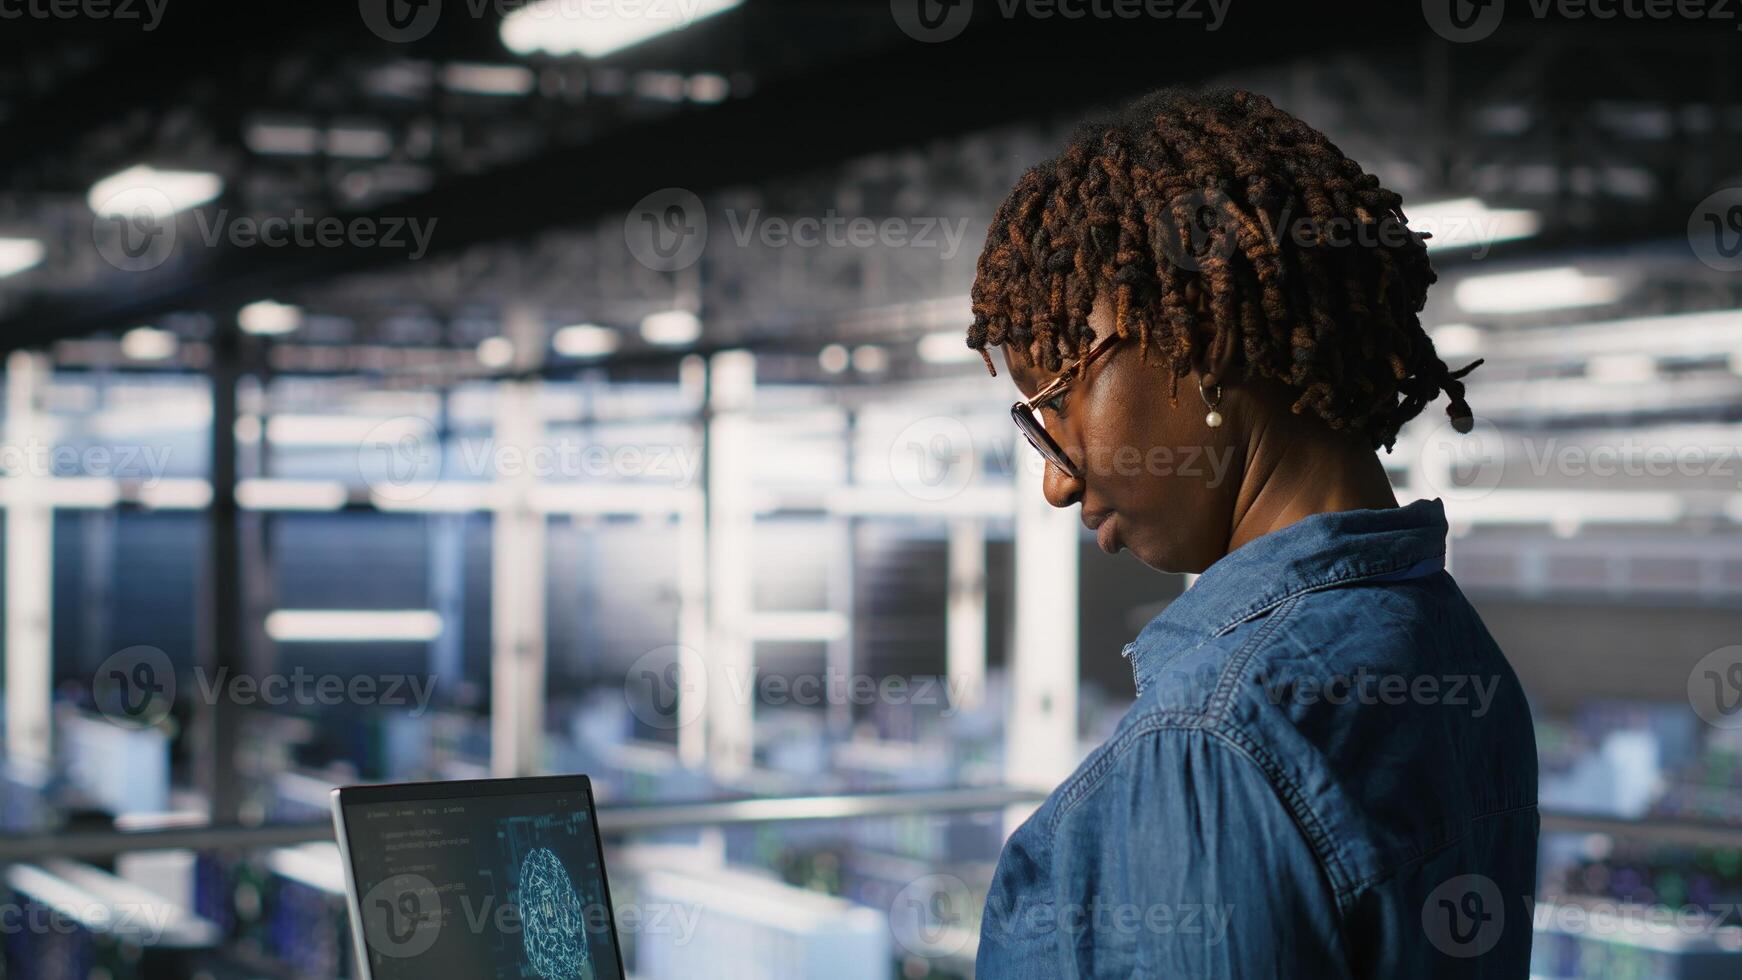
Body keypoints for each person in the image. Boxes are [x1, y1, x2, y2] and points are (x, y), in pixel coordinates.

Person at [967, 87, 1538, 977]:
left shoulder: (1211, 740)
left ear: (1190, 344)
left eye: (1056, 404)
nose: (1054, 477)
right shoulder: (1451, 650)